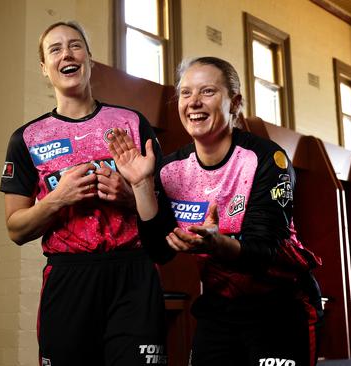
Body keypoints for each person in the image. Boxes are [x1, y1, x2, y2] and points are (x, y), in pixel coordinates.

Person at [109, 56, 323, 366]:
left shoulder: (266, 158)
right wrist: (142, 184)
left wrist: (216, 243)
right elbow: (160, 250)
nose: (193, 102)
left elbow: (264, 247)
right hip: (219, 307)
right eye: (185, 92)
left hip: (280, 304)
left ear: (235, 103)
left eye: (207, 91)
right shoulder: (170, 169)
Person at [0, 21, 167, 366]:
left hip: (132, 274)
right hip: (69, 278)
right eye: (55, 49)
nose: (67, 54)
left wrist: (128, 195)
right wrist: (59, 198)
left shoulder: (132, 123)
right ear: (45, 69)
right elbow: (16, 229)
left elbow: (166, 214)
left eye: (75, 45)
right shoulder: (27, 138)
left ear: (89, 58)